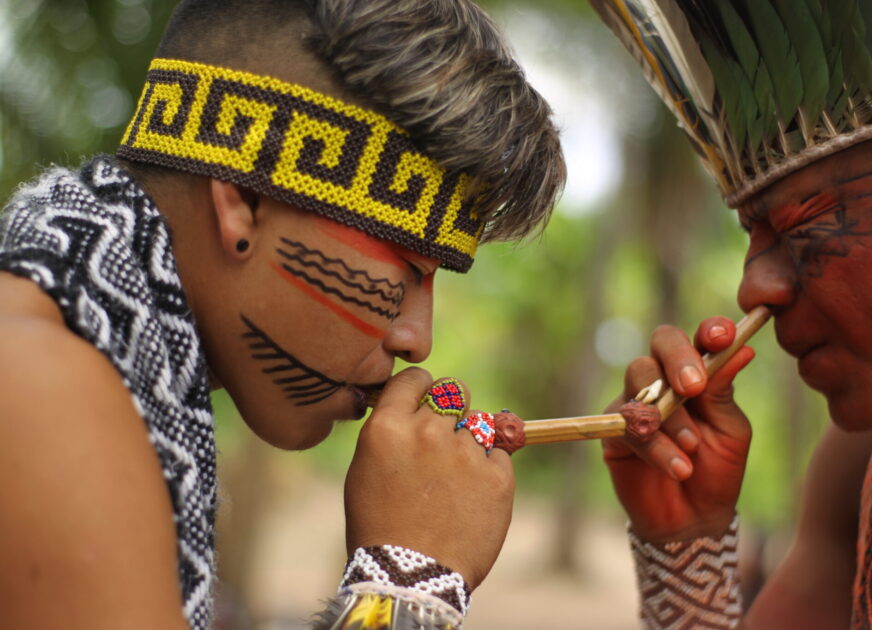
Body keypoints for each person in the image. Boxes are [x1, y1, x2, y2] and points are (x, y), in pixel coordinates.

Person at [0, 1, 565, 629]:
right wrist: (407, 584)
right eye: (408, 269)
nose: (417, 341)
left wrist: (687, 550)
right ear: (241, 204)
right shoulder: (39, 389)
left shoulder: (70, 342)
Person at [590, 1, 872, 628]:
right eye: (753, 235)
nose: (755, 287)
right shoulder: (867, 468)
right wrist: (687, 544)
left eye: (801, 222)